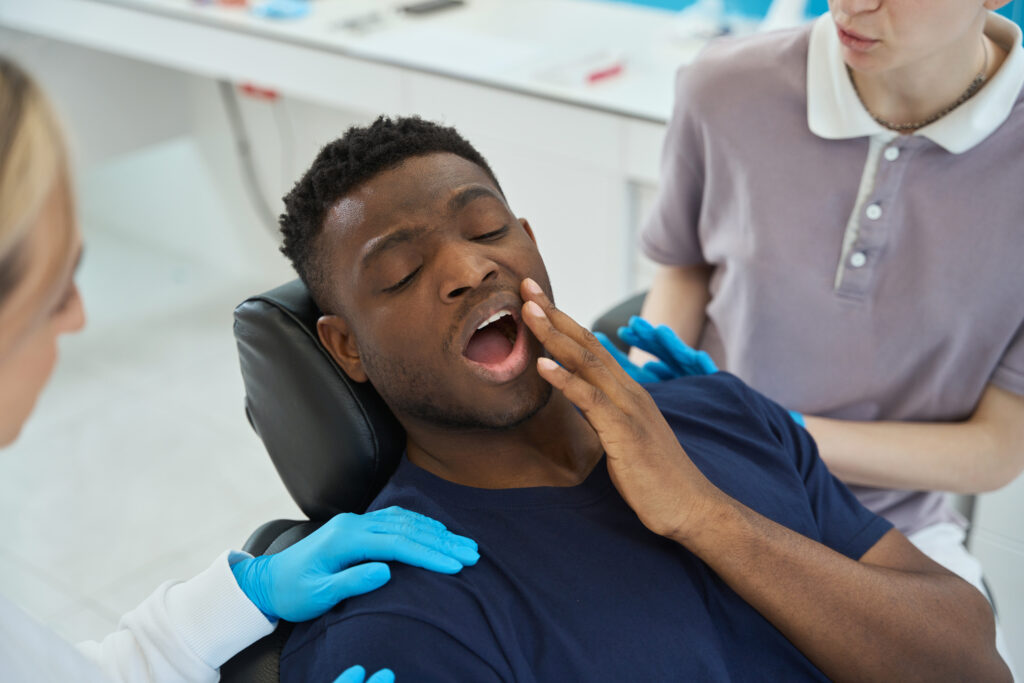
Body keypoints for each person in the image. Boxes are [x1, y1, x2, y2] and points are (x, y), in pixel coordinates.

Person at [270, 116, 1009, 681]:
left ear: (528, 241)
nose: (469, 265)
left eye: (487, 228)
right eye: (400, 272)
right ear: (345, 347)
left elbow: (972, 661)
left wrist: (705, 514)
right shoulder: (402, 610)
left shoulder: (722, 412)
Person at [0, 57, 480, 683]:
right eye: (56, 290)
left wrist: (238, 598)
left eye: (490, 229)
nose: (79, 317)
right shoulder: (403, 626)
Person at [635, 0, 1024, 667]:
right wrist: (643, 411)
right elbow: (685, 271)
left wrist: (774, 430)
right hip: (702, 480)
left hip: (893, 531)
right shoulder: (722, 86)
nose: (852, 4)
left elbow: (995, 448)